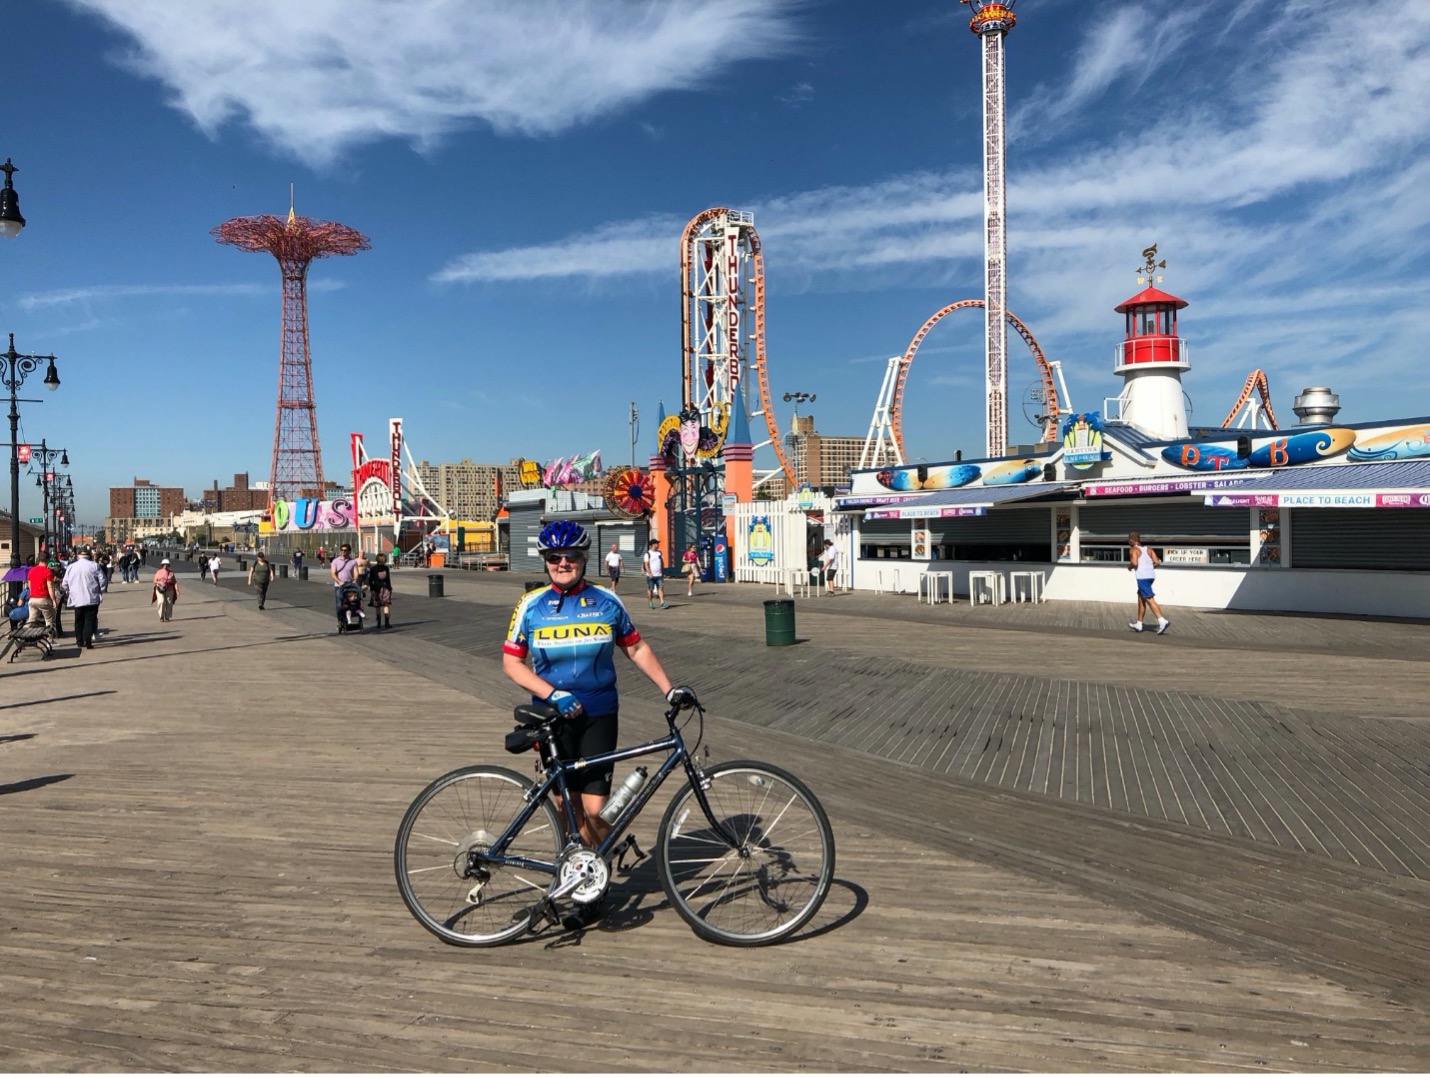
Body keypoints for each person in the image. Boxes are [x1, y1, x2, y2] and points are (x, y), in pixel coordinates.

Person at [502, 520, 692, 862]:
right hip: (554, 717)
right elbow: (511, 663)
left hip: (599, 713)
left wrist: (669, 690)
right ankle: (583, 881)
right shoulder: (530, 605)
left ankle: (600, 859)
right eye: (554, 557)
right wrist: (553, 694)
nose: (562, 564)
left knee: (594, 809)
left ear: (584, 558)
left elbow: (636, 649)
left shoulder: (607, 601)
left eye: (571, 556)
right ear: (545, 560)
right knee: (567, 807)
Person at [62, 547, 107, 650]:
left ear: (78, 556)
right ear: (89, 556)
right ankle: (87, 639)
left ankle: (79, 641)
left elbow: (64, 583)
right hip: (92, 597)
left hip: (77, 598)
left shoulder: (71, 567)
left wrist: (69, 591)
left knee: (79, 620)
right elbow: (103, 580)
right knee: (90, 619)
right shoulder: (94, 565)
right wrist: (101, 590)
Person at [1127, 531, 1170, 634]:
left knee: (1149, 599)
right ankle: (1139, 624)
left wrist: (1129, 567)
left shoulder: (1133, 550)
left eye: (1129, 540)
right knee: (1141, 598)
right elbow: (1157, 562)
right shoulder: (1149, 549)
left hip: (1142, 577)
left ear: (1132, 540)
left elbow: (1134, 562)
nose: (1129, 542)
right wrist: (1148, 567)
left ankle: (1162, 620)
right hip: (1151, 576)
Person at [24, 555, 59, 635]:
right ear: (47, 560)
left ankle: (21, 634)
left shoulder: (31, 570)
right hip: (43, 598)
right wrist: (53, 600)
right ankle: (50, 640)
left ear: (38, 560)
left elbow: (29, 586)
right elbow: (50, 587)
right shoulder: (47, 571)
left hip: (32, 599)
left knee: (31, 620)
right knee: (49, 620)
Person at [329, 542, 359, 631]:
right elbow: (333, 574)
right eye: (342, 550)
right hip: (339, 586)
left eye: (345, 550)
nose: (343, 552)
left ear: (349, 551)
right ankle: (340, 620)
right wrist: (339, 581)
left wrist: (354, 580)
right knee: (339, 604)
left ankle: (349, 618)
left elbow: (356, 572)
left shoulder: (353, 561)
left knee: (351, 603)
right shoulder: (335, 561)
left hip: (349, 586)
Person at [365, 552, 394, 629]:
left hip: (385, 588)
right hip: (377, 589)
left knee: (386, 604)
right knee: (378, 605)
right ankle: (379, 622)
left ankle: (386, 622)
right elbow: (371, 580)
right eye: (384, 559)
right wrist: (372, 590)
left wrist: (390, 588)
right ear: (380, 560)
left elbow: (388, 579)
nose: (385, 560)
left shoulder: (386, 568)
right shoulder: (373, 569)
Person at [642, 539, 668, 609]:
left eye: (657, 544)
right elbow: (646, 564)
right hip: (651, 575)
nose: (657, 545)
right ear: (651, 545)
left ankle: (662, 602)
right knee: (650, 589)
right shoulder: (648, 554)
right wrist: (649, 572)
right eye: (655, 544)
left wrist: (663, 572)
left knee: (661, 588)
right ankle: (650, 602)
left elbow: (661, 562)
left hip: (659, 575)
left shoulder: (659, 552)